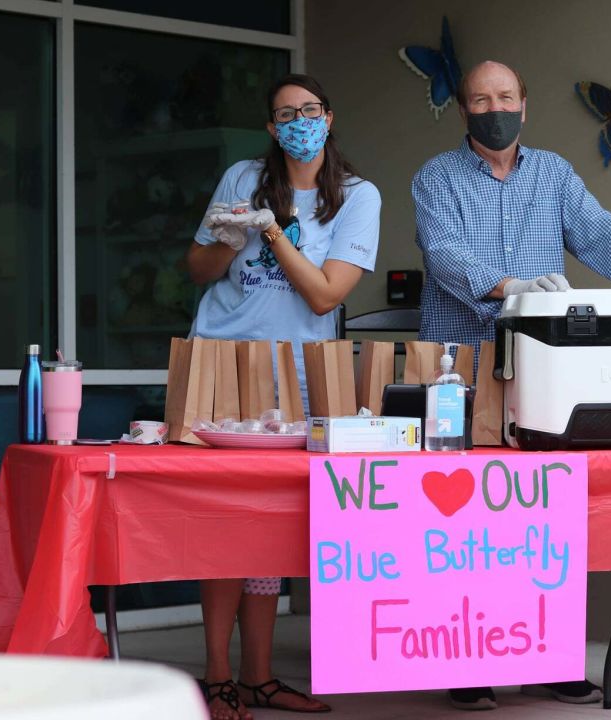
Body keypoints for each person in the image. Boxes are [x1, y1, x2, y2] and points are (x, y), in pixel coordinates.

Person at [411, 60, 611, 711]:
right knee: (465, 522)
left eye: (505, 96)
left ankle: (551, 657)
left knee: (544, 513)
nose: (494, 108)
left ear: (525, 104)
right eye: (480, 99)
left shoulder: (554, 175)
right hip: (462, 366)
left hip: (541, 364)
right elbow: (443, 252)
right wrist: (510, 288)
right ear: (463, 111)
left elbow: (597, 231)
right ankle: (468, 663)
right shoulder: (436, 177)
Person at [187, 73, 380, 720]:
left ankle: (260, 676)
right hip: (221, 361)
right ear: (271, 128)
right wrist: (225, 237)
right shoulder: (244, 176)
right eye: (285, 114)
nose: (299, 121)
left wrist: (272, 233)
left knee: (268, 533)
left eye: (310, 110)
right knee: (222, 527)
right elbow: (200, 271)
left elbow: (327, 294)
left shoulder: (356, 196)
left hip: (298, 378)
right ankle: (218, 677)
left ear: (330, 117)